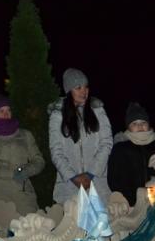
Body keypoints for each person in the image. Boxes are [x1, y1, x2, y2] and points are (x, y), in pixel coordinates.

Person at [0, 94, 45, 231]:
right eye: (1, 111)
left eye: (8, 110)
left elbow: (39, 161)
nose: (6, 114)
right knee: (2, 237)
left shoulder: (25, 135)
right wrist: (10, 173)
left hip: (23, 194)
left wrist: (25, 171)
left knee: (32, 232)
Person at [48, 68, 113, 203]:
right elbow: (56, 151)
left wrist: (91, 174)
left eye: (86, 87)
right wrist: (73, 177)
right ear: (68, 90)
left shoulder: (98, 111)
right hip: (69, 188)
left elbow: (106, 143)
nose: (84, 91)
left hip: (97, 186)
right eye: (78, 88)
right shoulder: (57, 116)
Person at [107, 102, 155, 205]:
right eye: (134, 123)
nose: (140, 126)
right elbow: (114, 178)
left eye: (143, 122)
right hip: (130, 204)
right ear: (128, 127)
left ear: (149, 124)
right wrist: (128, 199)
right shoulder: (120, 149)